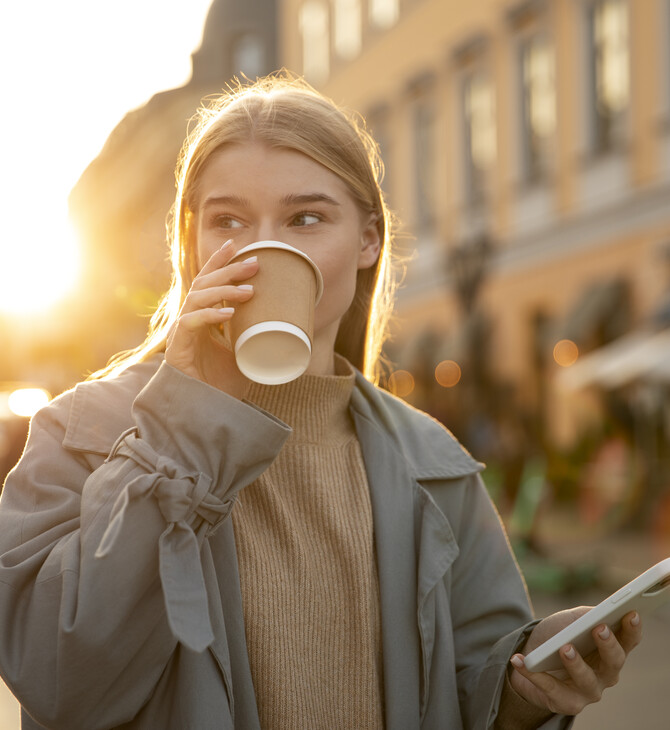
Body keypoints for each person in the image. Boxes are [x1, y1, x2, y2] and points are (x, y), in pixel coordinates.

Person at [0, 71, 641, 730]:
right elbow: (60, 682)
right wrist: (183, 428)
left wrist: (526, 685)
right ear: (192, 243)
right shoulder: (81, 433)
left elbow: (468, 681)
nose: (260, 248)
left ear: (368, 239)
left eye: (305, 218)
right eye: (228, 220)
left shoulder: (431, 461)